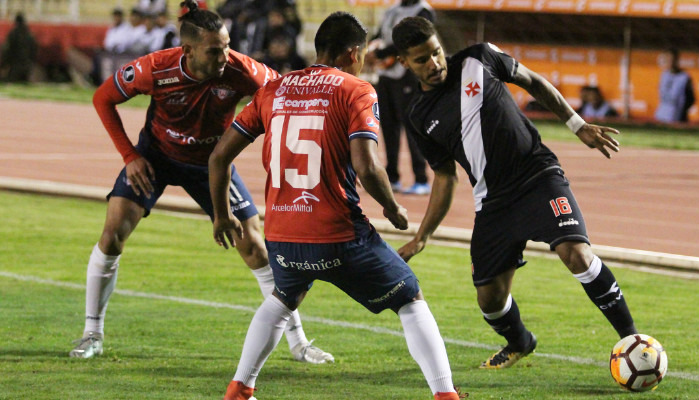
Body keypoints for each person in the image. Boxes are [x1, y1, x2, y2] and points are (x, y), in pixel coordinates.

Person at [209, 11, 463, 400]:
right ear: (352, 53)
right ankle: (446, 395)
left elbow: (218, 158)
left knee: (282, 298)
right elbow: (367, 165)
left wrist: (223, 215)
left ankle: (240, 389)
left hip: (282, 235)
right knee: (410, 298)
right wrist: (393, 209)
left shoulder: (273, 89)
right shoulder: (356, 90)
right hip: (338, 233)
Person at [68, 0, 333, 366]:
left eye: (227, 45)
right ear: (188, 50)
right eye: (215, 50)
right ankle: (92, 333)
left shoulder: (242, 70)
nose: (225, 55)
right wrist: (131, 157)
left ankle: (298, 342)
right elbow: (103, 98)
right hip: (156, 158)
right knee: (113, 231)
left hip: (212, 164)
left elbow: (285, 93)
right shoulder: (154, 69)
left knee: (255, 247)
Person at [392, 17, 638, 369]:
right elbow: (445, 177)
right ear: (404, 62)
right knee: (489, 300)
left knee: (577, 254)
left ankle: (632, 341)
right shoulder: (419, 116)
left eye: (436, 53)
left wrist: (577, 124)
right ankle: (520, 341)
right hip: (493, 202)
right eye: (421, 59)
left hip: (537, 176)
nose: (434, 64)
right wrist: (422, 236)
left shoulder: (480, 58)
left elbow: (534, 81)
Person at [366, 0, 435, 195]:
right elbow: (380, 35)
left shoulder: (423, 11)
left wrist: (381, 53)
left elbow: (412, 41)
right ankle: (392, 177)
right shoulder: (392, 10)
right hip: (387, 75)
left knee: (412, 126)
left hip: (409, 74)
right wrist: (371, 51)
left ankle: (421, 178)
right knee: (388, 126)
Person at [654, 48, 695, 123]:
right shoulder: (664, 75)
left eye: (672, 59)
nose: (670, 62)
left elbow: (691, 99)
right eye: (668, 59)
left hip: (676, 118)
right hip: (661, 116)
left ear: (676, 60)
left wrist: (682, 113)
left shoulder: (684, 77)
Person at [0, 13, 38, 82]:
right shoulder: (29, 34)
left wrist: (4, 64)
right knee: (24, 84)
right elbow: (34, 49)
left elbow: (7, 49)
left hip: (15, 64)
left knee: (14, 83)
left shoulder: (13, 34)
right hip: (27, 64)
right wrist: (32, 62)